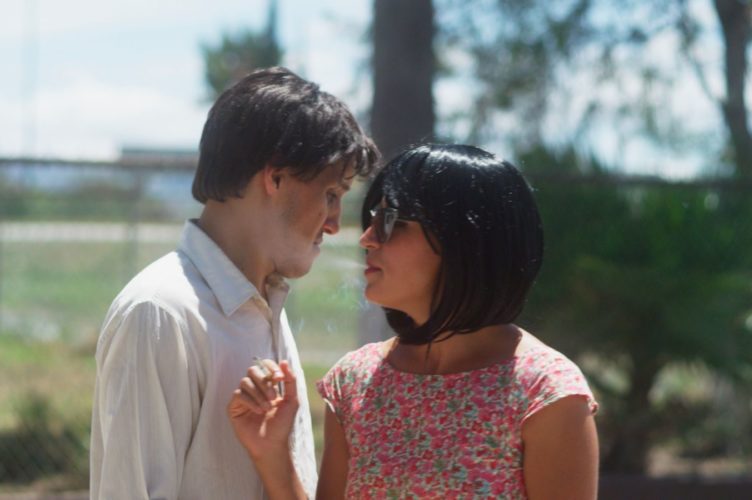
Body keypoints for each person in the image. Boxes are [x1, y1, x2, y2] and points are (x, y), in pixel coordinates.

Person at [228, 144, 599, 499]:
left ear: (464, 240)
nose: (368, 239)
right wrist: (272, 453)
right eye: (372, 220)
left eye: (391, 221)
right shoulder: (354, 382)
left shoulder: (544, 393)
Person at [89, 66, 379, 499]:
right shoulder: (161, 313)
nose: (335, 223)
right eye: (331, 194)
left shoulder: (263, 306)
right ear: (275, 177)